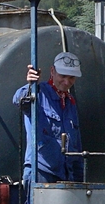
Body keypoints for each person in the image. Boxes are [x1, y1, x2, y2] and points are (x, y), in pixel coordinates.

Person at [12, 51, 85, 184]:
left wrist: (79, 179)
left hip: (66, 173)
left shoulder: (70, 102)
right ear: (52, 71)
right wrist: (30, 85)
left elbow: (76, 144)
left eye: (72, 78)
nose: (67, 82)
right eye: (63, 76)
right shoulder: (38, 93)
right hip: (41, 171)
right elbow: (19, 100)